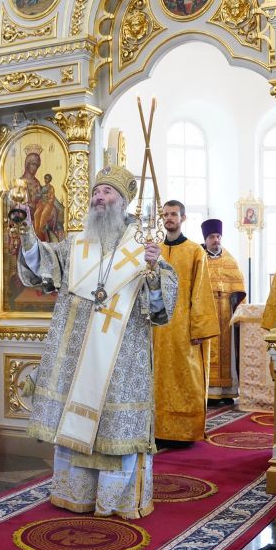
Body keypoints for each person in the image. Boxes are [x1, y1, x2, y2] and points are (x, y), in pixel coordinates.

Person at [19, 165, 177, 519]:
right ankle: (75, 493)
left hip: (122, 360)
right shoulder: (77, 245)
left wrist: (154, 272)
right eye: (95, 192)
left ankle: (115, 500)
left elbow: (161, 309)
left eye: (106, 192)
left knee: (115, 427)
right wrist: (27, 233)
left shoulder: (144, 248)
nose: (98, 198)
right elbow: (42, 265)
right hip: (78, 356)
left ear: (122, 201)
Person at [153, 200, 218, 449]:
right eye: (165, 215)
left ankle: (185, 432)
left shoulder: (194, 251)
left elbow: (201, 291)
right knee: (157, 378)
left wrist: (199, 328)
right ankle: (158, 430)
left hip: (183, 327)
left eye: (173, 214)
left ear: (183, 218)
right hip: (157, 329)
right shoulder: (155, 250)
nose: (168, 218)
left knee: (187, 377)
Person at [201, 218, 246, 405]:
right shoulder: (199, 257)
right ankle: (209, 392)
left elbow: (239, 287)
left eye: (218, 236)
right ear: (205, 239)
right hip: (206, 311)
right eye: (212, 237)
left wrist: (238, 307)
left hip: (226, 312)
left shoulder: (229, 259)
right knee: (207, 350)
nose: (216, 240)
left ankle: (227, 392)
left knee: (227, 352)